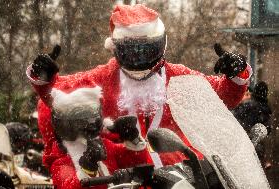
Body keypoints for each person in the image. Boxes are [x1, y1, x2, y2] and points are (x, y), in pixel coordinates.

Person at [26, 4, 252, 189]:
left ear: (161, 45)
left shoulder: (179, 77)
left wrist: (236, 75)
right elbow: (58, 95)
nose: (140, 58)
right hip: (125, 179)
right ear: (115, 49)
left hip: (185, 177)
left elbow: (222, 97)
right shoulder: (101, 79)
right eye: (131, 51)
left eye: (147, 50)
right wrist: (43, 78)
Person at [232, 81, 272, 165]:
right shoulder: (267, 109)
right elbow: (268, 128)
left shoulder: (248, 105)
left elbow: (234, 117)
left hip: (241, 141)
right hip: (256, 146)